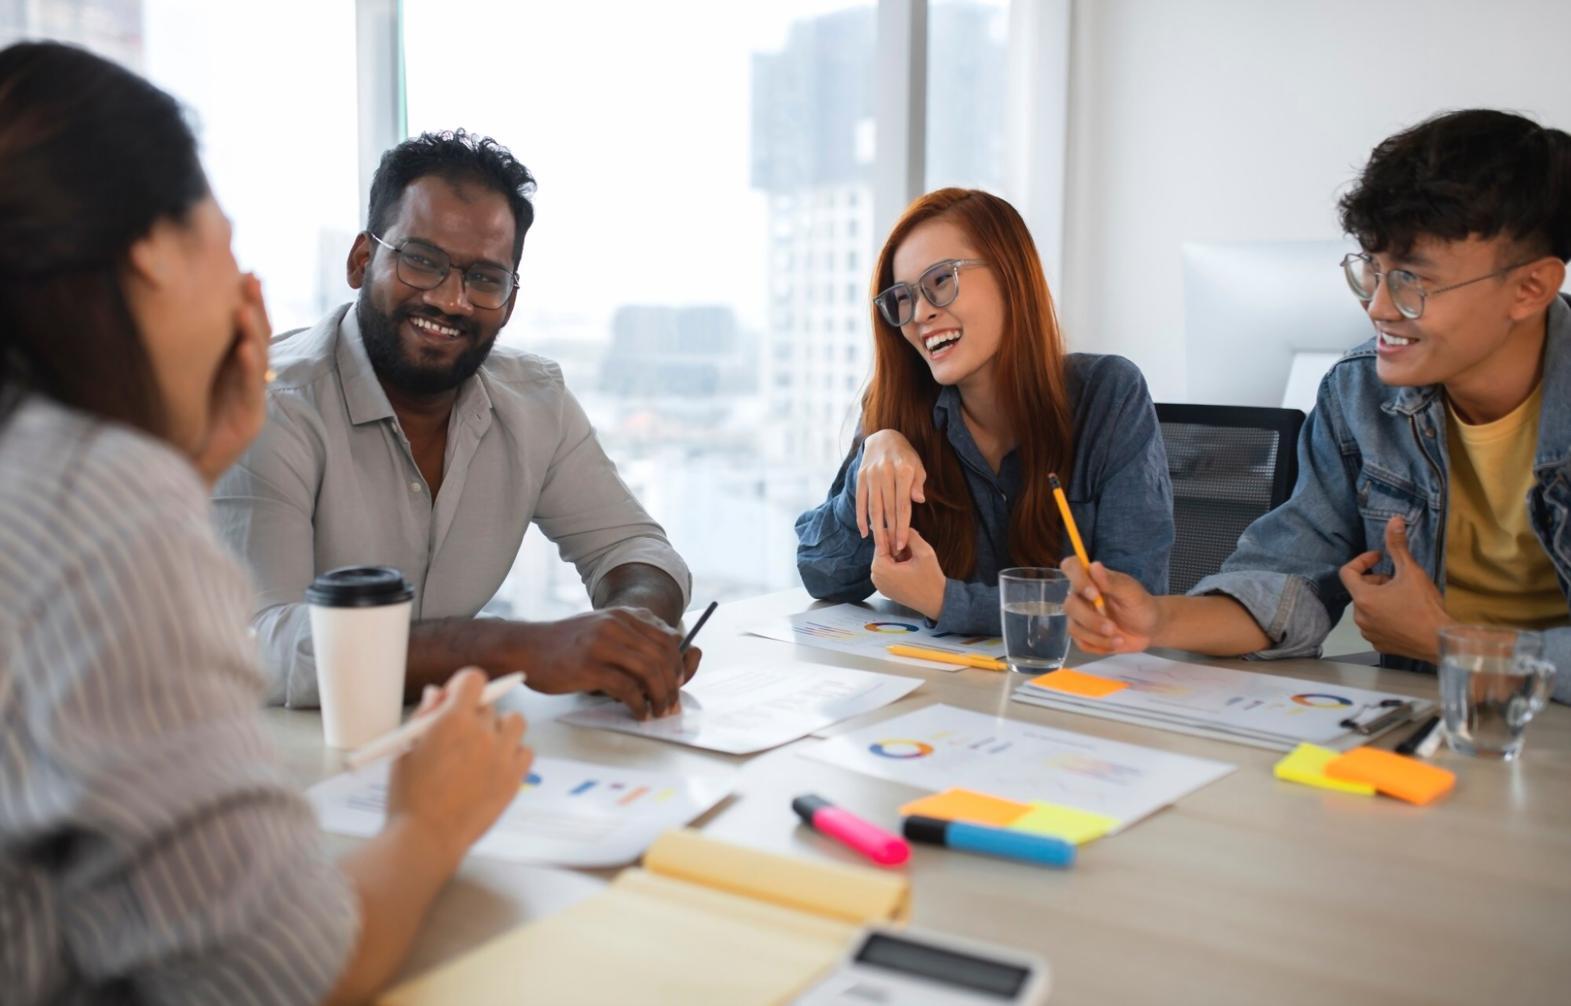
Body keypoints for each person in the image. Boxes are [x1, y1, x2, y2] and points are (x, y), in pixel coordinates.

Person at [0, 42, 533, 1005]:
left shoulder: (46, 466)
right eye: (222, 236)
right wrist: (431, 821)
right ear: (153, 255)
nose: (244, 282)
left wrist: (183, 473)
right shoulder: (96, 499)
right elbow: (279, 972)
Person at [1062, 109, 1571, 704]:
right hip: (1424, 715)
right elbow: (1290, 578)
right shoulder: (1360, 393)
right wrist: (1156, 619)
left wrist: (1452, 644)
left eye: (1413, 282)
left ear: (1530, 288)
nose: (1379, 307)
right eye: (1372, 271)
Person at [213, 131, 697, 719]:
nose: (451, 300)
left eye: (485, 278)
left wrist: (630, 630)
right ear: (362, 261)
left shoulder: (534, 400)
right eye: (421, 261)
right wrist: (514, 648)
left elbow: (634, 546)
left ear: (509, 301)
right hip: (279, 751)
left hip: (445, 742)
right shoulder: (274, 405)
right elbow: (263, 643)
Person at [795, 188, 1173, 635]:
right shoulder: (899, 407)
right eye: (903, 298)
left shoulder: (1108, 396)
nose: (919, 314)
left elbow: (1129, 607)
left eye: (941, 280)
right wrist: (873, 457)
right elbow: (822, 574)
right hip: (927, 678)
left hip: (1071, 681)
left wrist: (945, 601)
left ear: (1011, 276)